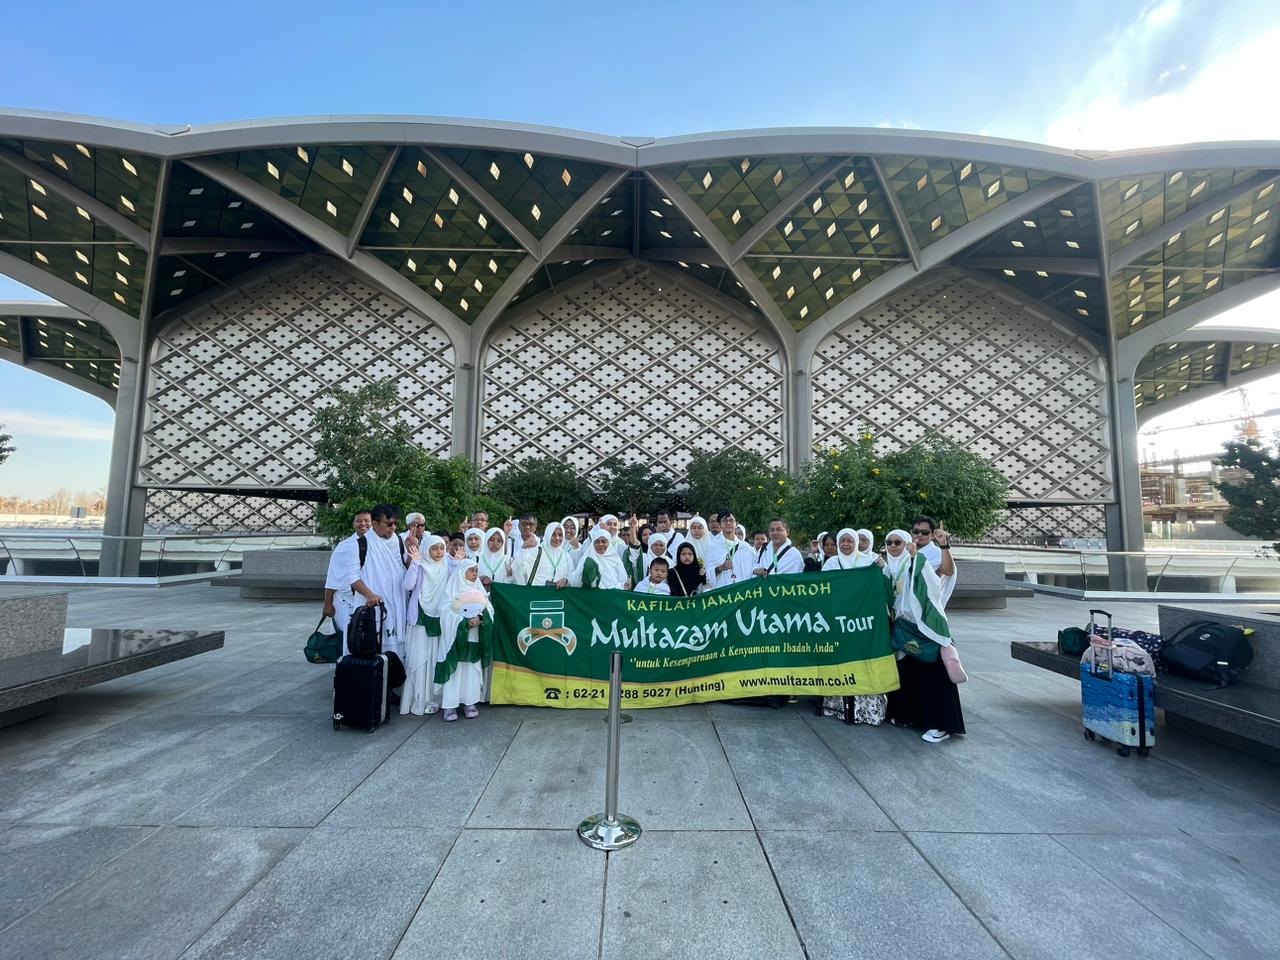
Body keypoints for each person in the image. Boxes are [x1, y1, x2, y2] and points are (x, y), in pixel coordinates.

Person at [882, 527, 964, 743]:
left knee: (932, 677)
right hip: (905, 629)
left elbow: (934, 585)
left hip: (927, 627)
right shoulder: (890, 569)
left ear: (907, 543)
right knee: (911, 675)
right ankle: (911, 717)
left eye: (898, 542)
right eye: (889, 542)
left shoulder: (918, 561)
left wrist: (915, 557)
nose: (892, 546)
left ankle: (941, 725)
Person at [435, 560, 492, 721]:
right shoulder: (451, 590)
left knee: (471, 671)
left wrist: (480, 618)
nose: (474, 574)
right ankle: (449, 706)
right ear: (461, 572)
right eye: (471, 571)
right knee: (455, 671)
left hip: (474, 638)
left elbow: (489, 609)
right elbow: (444, 612)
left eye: (476, 571)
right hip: (455, 640)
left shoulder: (478, 589)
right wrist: (464, 622)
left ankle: (470, 703)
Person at [401, 534, 449, 715]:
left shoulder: (447, 565)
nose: (439, 552)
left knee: (436, 658)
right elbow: (408, 586)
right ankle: (419, 699)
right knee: (420, 659)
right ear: (426, 550)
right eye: (434, 548)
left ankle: (434, 699)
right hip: (421, 617)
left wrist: (458, 564)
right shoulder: (420, 565)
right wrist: (414, 563)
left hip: (440, 618)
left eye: (442, 548)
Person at [323, 509, 372, 639]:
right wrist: (328, 604)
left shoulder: (377, 544)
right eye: (359, 521)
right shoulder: (345, 546)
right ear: (354, 524)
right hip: (345, 601)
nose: (363, 524)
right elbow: (333, 576)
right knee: (348, 638)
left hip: (367, 600)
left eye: (367, 521)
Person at [706, 509, 754, 588]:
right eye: (724, 521)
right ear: (719, 524)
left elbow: (752, 569)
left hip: (742, 589)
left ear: (736, 523)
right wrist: (720, 568)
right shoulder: (713, 547)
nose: (728, 523)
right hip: (723, 590)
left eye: (731, 520)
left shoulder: (745, 547)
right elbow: (708, 574)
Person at [516, 521, 573, 586]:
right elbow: (520, 569)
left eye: (560, 535)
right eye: (553, 534)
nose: (557, 538)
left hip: (558, 592)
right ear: (548, 534)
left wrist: (566, 580)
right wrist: (524, 548)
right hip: (537, 591)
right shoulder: (536, 551)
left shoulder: (566, 556)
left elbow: (572, 576)